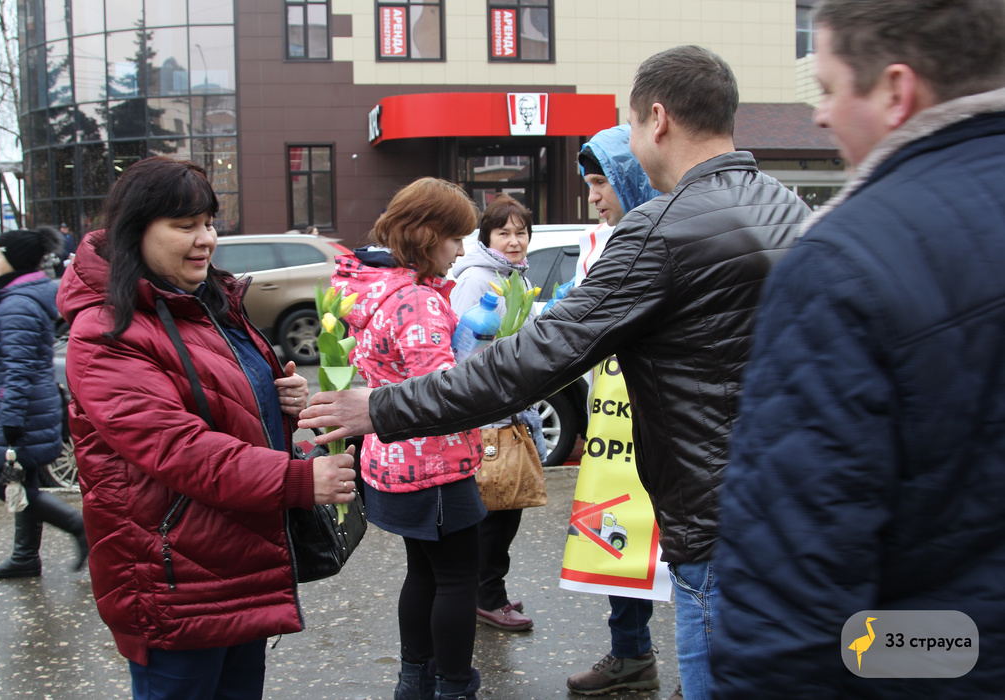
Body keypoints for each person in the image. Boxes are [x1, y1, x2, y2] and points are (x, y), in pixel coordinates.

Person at [301, 46, 810, 700]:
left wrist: (379, 408)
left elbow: (531, 362)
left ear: (657, 120)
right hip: (793, 506)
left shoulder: (661, 229)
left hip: (716, 519)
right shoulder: (788, 209)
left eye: (630, 125)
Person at [711, 1, 1005, 697]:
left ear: (896, 91)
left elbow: (791, 620)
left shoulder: (845, 264)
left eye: (829, 87)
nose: (819, 115)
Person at [56, 156, 357, 700]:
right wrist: (297, 480)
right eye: (184, 225)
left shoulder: (206, 301)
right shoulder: (105, 332)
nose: (206, 239)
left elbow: (221, 403)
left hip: (241, 555)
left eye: (209, 222)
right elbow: (177, 447)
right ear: (135, 231)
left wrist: (278, 399)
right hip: (172, 571)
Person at [332, 177, 485, 700]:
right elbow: (438, 392)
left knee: (423, 574)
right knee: (458, 578)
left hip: (393, 459)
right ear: (427, 236)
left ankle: (414, 680)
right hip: (434, 462)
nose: (460, 251)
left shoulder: (381, 290)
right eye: (455, 238)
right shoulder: (417, 301)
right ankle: (453, 686)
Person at [563, 125, 670, 697]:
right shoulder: (600, 243)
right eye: (588, 184)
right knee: (617, 540)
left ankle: (709, 669)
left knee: (693, 561)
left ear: (631, 176)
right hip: (614, 427)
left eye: (601, 182)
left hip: (673, 430)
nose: (593, 196)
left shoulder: (670, 236)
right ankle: (631, 654)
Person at [449, 194, 542, 633]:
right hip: (486, 412)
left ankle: (487, 589)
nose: (514, 241)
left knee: (505, 508)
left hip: (508, 406)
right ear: (486, 237)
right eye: (503, 233)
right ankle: (488, 597)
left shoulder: (515, 277)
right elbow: (459, 349)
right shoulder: (477, 279)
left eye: (521, 232)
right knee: (497, 510)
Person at [0, 227, 89, 580]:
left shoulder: (18, 304)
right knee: (21, 482)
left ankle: (78, 527)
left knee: (6, 484)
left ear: (14, 259)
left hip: (22, 410)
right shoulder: (19, 298)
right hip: (26, 406)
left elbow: (20, 368)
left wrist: (10, 418)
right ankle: (25, 557)